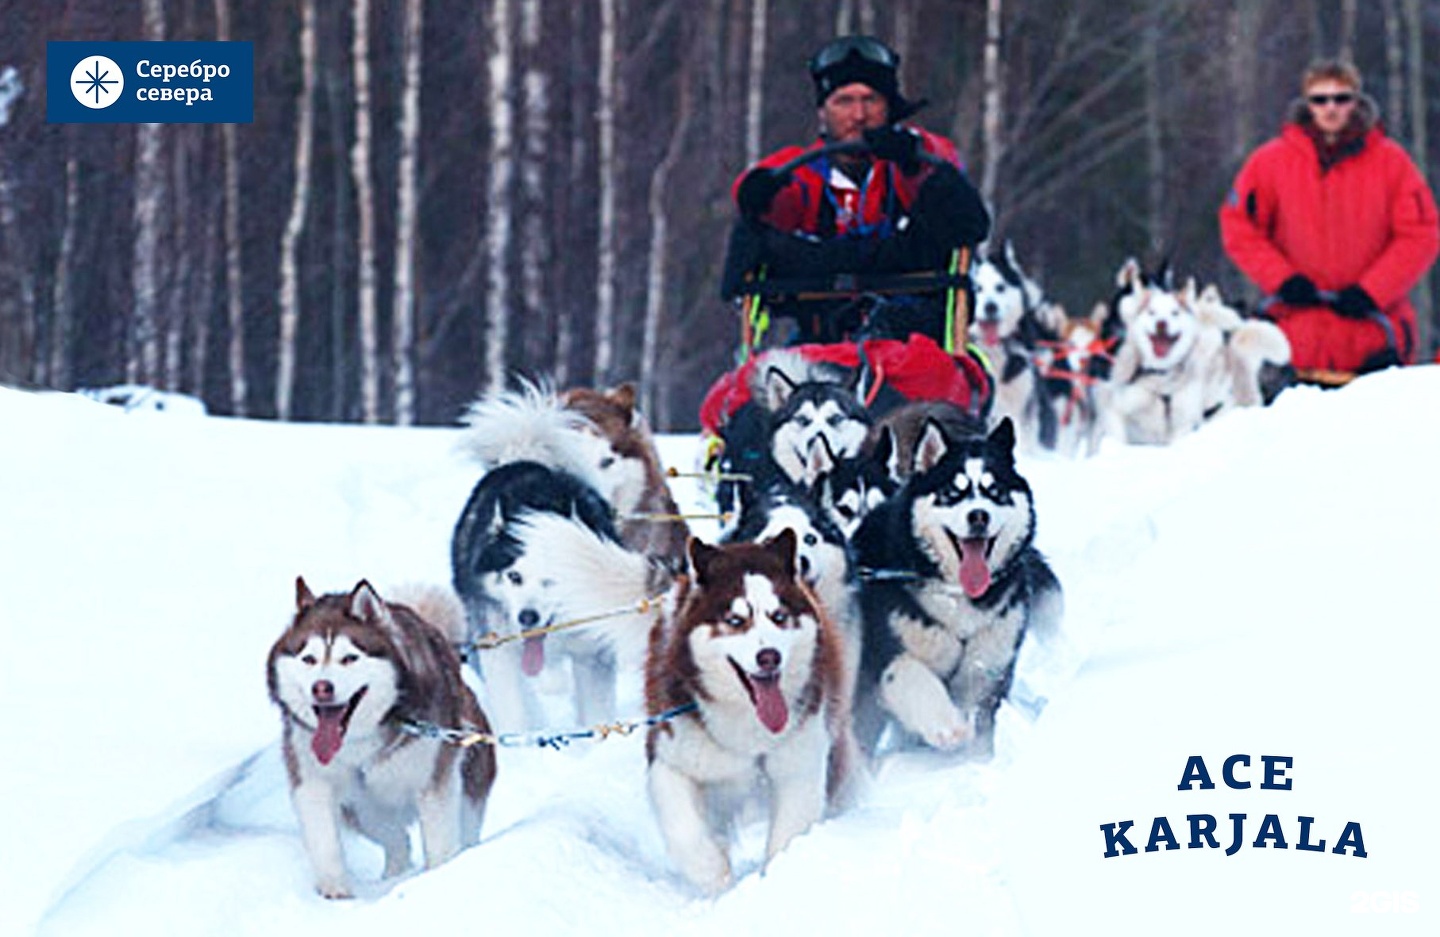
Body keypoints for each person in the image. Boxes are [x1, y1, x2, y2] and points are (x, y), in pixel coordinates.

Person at [721, 35, 992, 348]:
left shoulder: (913, 157)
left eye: (871, 100)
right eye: (844, 101)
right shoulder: (808, 172)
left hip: (913, 338)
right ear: (823, 111)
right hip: (824, 336)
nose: (859, 115)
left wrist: (911, 160)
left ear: (888, 107)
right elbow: (778, 195)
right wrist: (757, 191)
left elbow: (946, 181)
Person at [1220, 59, 1439, 379]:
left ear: (1356, 101)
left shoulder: (1392, 163)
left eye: (1341, 98)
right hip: (1291, 336)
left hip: (1373, 334)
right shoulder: (1270, 163)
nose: (1331, 108)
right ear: (1307, 104)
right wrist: (1282, 280)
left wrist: (1373, 291)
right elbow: (1240, 227)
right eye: (1320, 99)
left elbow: (1420, 234)